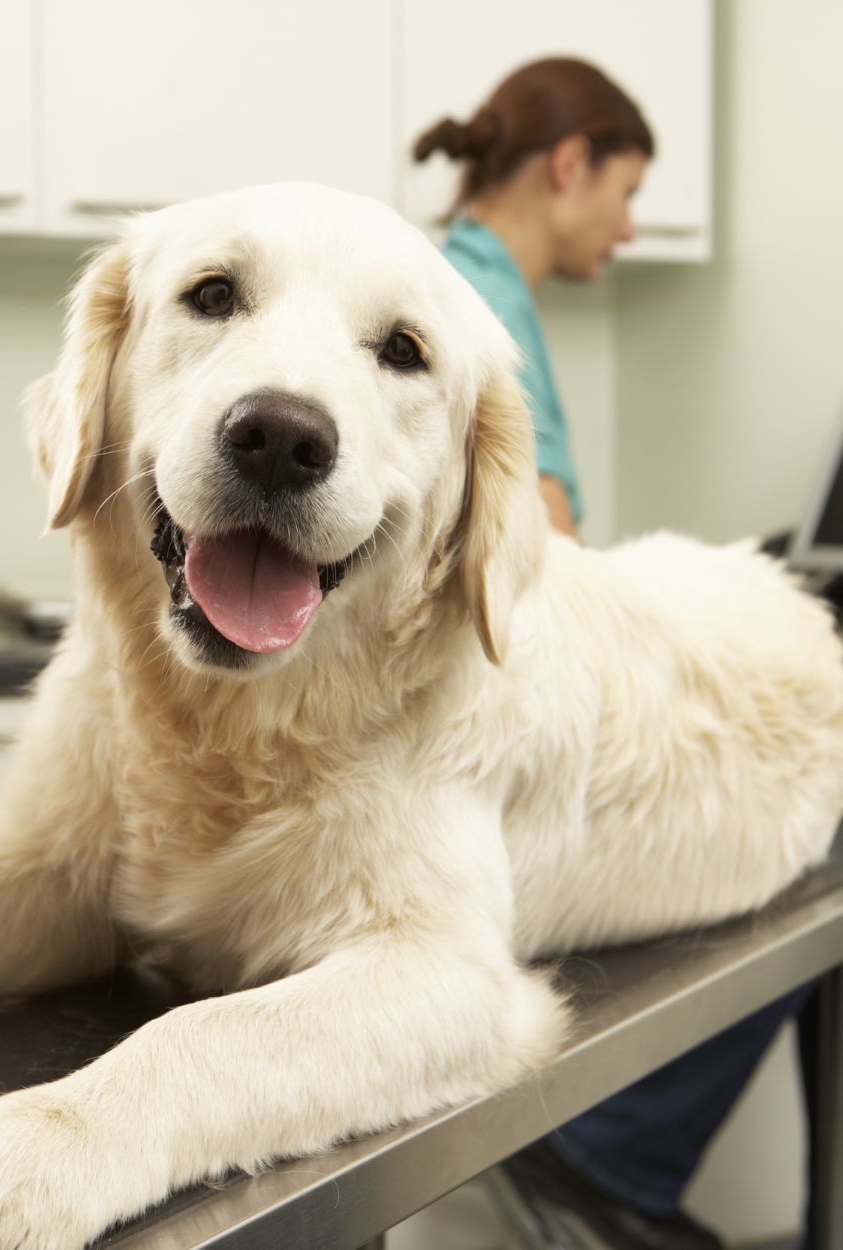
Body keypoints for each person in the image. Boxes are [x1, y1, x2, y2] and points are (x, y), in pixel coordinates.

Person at [413, 57, 817, 1250]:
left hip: (478, 728)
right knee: (814, 812)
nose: (630, 225)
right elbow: (538, 567)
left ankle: (623, 1151)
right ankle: (611, 1149)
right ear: (569, 164)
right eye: (625, 191)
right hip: (482, 749)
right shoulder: (477, 306)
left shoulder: (462, 284)